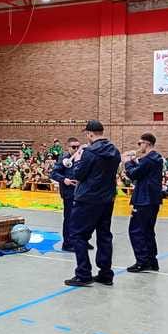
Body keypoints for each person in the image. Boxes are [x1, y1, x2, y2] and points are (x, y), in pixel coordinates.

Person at [64, 120, 121, 287]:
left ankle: (83, 273)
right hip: (107, 199)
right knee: (104, 235)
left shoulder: (89, 152)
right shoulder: (114, 151)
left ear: (89, 134)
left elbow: (78, 175)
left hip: (88, 199)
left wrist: (78, 160)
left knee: (77, 235)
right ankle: (105, 273)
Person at [124, 133, 164, 273]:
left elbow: (134, 174)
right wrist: (135, 161)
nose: (138, 146)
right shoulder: (156, 158)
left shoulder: (149, 159)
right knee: (148, 231)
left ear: (147, 143)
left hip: (144, 199)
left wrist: (127, 162)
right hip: (152, 199)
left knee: (136, 230)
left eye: (140, 143)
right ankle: (151, 260)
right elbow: (143, 170)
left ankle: (142, 261)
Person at [50, 137, 92, 252]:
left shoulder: (82, 158)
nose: (76, 149)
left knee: (83, 219)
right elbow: (54, 173)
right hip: (69, 193)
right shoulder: (64, 159)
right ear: (68, 147)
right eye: (74, 147)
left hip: (81, 193)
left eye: (78, 147)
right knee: (70, 219)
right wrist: (64, 180)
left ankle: (82, 241)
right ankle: (67, 243)